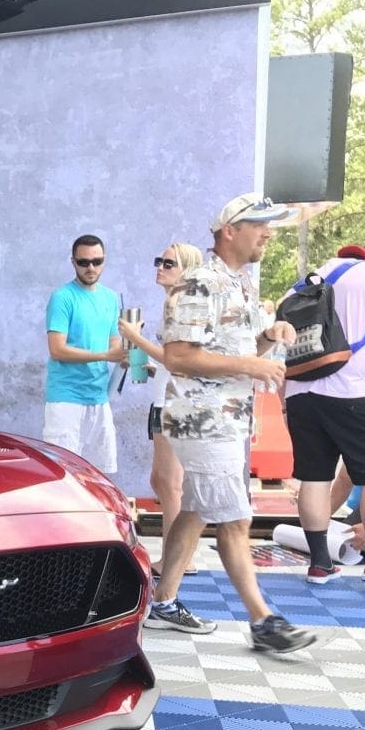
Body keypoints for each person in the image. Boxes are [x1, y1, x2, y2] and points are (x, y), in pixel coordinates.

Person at [147, 193, 316, 654]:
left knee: (197, 508)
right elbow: (178, 357)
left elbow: (232, 352)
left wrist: (268, 337)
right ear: (230, 231)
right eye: (260, 225)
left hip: (224, 420)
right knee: (236, 519)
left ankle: (163, 603)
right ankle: (263, 621)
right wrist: (252, 363)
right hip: (204, 421)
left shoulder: (239, 283)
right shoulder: (199, 282)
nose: (268, 233)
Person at [283, 244, 365, 592]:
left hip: (300, 396)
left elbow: (284, 347)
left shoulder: (301, 286)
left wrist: (285, 403)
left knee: (314, 478)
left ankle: (319, 564)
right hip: (357, 391)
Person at [118, 242, 204, 575]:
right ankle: (176, 557)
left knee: (170, 484)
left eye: (169, 263)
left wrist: (134, 337)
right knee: (163, 481)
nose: (161, 267)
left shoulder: (182, 304)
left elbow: (176, 358)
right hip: (168, 398)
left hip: (176, 404)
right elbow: (175, 362)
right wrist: (150, 367)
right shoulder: (176, 303)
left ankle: (177, 559)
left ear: (187, 271)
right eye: (160, 261)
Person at [43, 235, 126, 473]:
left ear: (104, 260)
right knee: (63, 473)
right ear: (73, 262)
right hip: (66, 398)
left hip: (99, 397)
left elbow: (113, 343)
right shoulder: (63, 297)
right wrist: (106, 356)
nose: (91, 267)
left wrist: (126, 356)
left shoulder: (110, 298)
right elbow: (57, 349)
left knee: (99, 475)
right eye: (83, 262)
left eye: (97, 261)